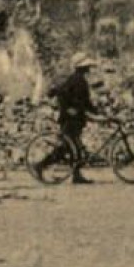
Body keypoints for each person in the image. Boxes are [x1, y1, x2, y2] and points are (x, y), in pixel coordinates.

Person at [45, 53, 97, 184]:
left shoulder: (77, 80)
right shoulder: (76, 80)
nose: (89, 69)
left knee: (73, 147)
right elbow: (63, 96)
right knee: (69, 147)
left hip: (75, 118)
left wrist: (95, 111)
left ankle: (76, 175)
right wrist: (68, 109)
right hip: (70, 120)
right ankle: (41, 165)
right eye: (86, 66)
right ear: (81, 67)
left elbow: (84, 101)